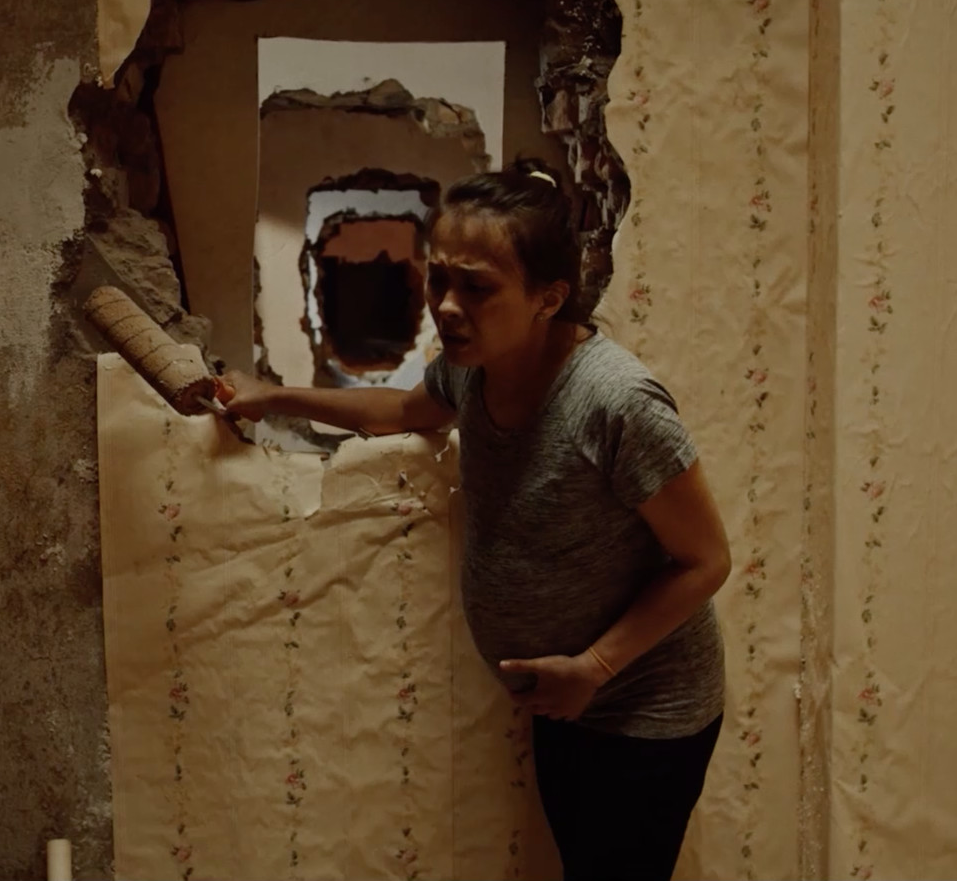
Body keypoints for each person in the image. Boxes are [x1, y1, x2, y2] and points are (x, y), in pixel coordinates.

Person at [216, 158, 731, 881]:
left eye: (478, 287)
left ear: (549, 298)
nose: (448, 307)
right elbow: (403, 409)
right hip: (567, 699)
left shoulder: (616, 403)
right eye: (439, 280)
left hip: (646, 706)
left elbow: (707, 560)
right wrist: (271, 397)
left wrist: (594, 667)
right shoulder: (473, 364)